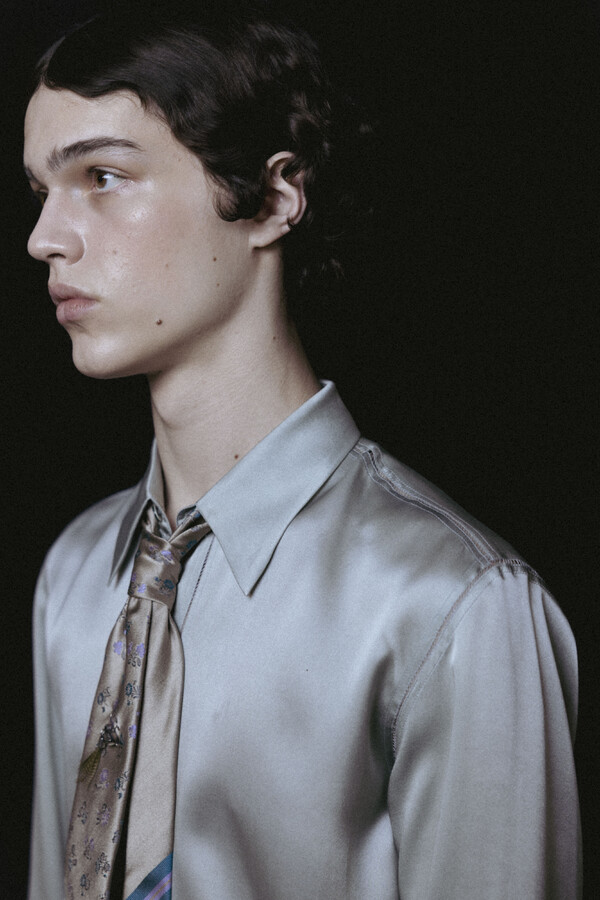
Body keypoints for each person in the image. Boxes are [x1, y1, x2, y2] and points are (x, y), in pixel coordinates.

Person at [24, 5, 581, 899]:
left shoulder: (453, 605)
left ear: (274, 197)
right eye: (41, 190)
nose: (46, 237)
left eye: (103, 176)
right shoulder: (76, 577)